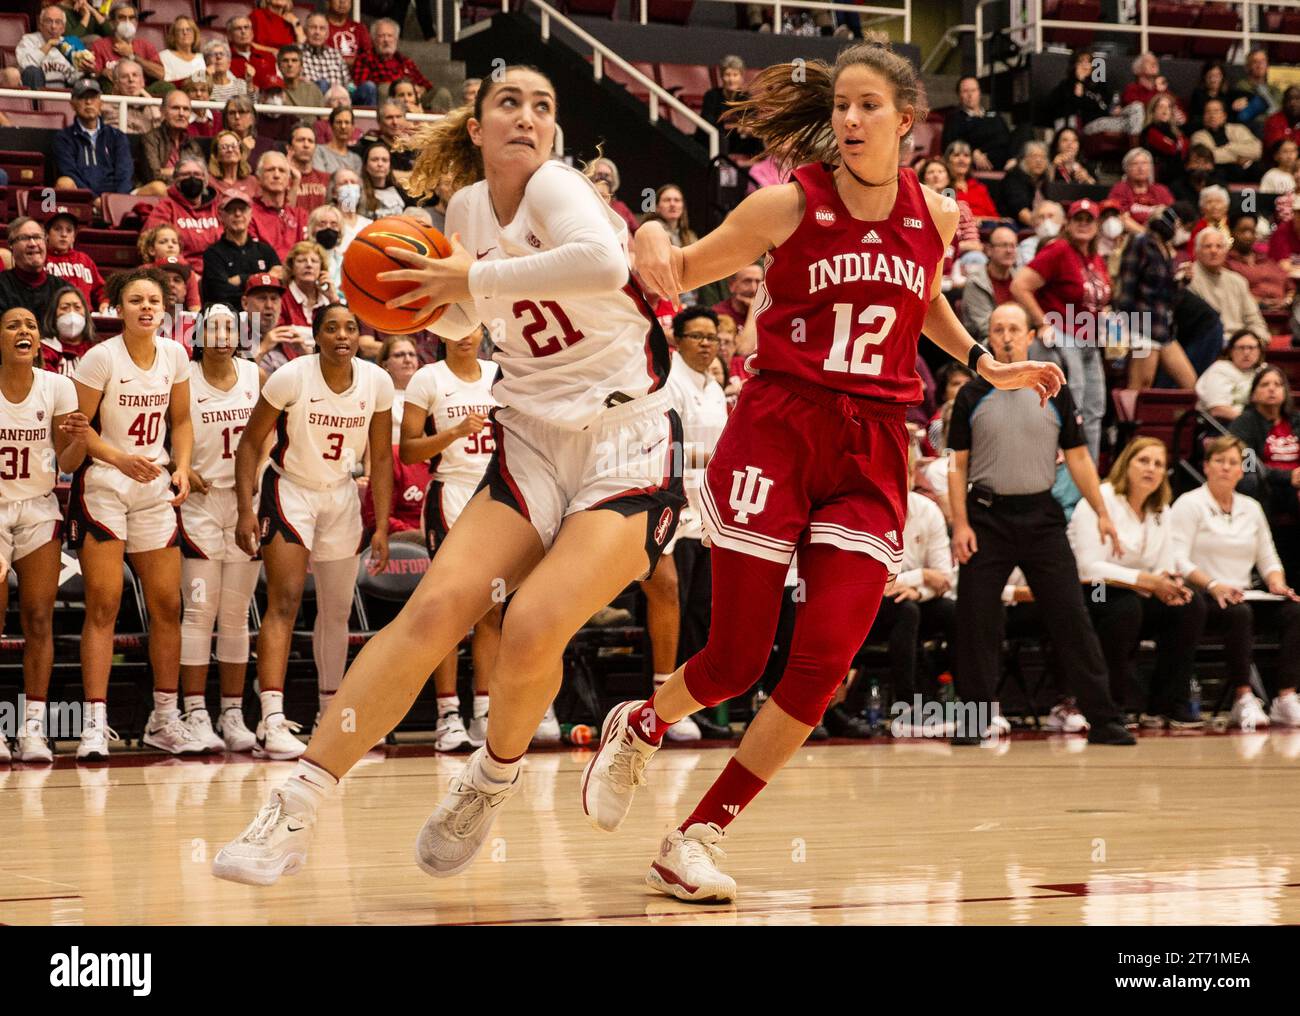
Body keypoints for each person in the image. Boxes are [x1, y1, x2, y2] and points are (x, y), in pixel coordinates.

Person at [589, 41, 1066, 902]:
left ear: (906, 121)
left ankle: (695, 835)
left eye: (867, 106)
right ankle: (646, 720)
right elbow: (685, 272)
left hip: (875, 441)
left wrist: (981, 365)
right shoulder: (786, 204)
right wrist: (651, 232)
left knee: (819, 668)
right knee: (734, 663)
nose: (849, 119)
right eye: (841, 105)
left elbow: (920, 300)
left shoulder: (940, 214)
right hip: (778, 428)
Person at [212, 65, 691, 888]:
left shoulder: (555, 184)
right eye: (509, 102)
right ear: (474, 128)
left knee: (536, 624)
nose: (529, 118)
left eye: (545, 106)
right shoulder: (467, 211)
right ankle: (297, 801)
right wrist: (419, 300)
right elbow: (477, 315)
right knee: (435, 607)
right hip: (533, 435)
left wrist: (468, 280)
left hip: (628, 439)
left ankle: (492, 777)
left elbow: (601, 267)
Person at [948, 301, 1131, 745]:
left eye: (1014, 329)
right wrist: (960, 524)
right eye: (997, 330)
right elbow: (957, 465)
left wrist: (1103, 511)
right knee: (976, 619)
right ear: (987, 339)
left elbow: (1079, 456)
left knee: (1071, 616)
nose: (1006, 337)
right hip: (986, 518)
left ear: (1030, 335)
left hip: (1042, 518)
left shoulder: (1055, 389)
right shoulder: (971, 395)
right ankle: (973, 724)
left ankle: (1104, 720)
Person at [228, 304, 393, 761]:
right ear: (316, 336)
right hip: (290, 489)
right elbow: (247, 444)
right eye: (332, 328)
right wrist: (246, 510)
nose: (343, 335)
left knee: (337, 610)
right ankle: (272, 719)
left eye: (351, 327)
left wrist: (381, 523)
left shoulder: (376, 382)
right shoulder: (292, 377)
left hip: (341, 495)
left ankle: (330, 714)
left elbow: (381, 458)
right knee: (284, 602)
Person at [68, 267, 199, 760]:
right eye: (136, 300)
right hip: (105, 482)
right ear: (117, 308)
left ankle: (165, 718)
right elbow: (78, 430)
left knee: (168, 605)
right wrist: (119, 457)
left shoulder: (176, 355)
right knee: (104, 604)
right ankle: (94, 724)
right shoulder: (99, 358)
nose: (146, 307)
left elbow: (181, 420)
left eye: (154, 300)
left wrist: (182, 467)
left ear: (164, 310)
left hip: (154, 484)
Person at [399, 329, 500, 751]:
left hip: (497, 495)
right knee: (450, 613)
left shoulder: (499, 374)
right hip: (451, 495)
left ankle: (485, 710)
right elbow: (408, 451)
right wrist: (454, 432)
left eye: (472, 326)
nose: (464, 335)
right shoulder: (428, 379)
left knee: (493, 611)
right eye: (455, 328)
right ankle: (447, 714)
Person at [0, 306, 88, 763]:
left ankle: (33, 729)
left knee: (38, 618)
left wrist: (77, 438)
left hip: (37, 507)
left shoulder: (58, 386)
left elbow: (69, 464)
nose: (24, 331)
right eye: (13, 324)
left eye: (31, 325)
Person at [176, 305, 265, 754]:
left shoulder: (255, 376)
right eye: (213, 327)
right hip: (200, 502)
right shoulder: (183, 376)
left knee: (235, 614)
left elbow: (270, 434)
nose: (222, 334)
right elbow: (168, 430)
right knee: (199, 611)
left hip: (246, 502)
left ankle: (232, 712)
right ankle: (194, 711)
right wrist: (181, 466)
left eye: (230, 326)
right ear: (197, 334)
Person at [1068, 437, 1205, 727]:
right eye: (1143, 461)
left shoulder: (1160, 510)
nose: (1151, 469)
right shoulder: (1099, 500)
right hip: (1092, 591)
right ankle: (1112, 703)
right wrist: (1145, 580)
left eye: (1158, 464)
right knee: (1123, 608)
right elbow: (1088, 567)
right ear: (1125, 464)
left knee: (1189, 606)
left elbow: (1165, 564)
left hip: (1139, 594)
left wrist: (1168, 583)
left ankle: (1166, 704)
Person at [1169, 436, 1300, 729]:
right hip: (1204, 596)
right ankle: (1243, 697)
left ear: (1242, 470)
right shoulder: (1189, 504)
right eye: (1219, 461)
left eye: (1233, 463)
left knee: (1295, 610)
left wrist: (1277, 583)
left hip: (1246, 593)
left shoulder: (1251, 507)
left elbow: (1268, 558)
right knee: (1238, 613)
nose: (1226, 468)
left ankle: (1286, 697)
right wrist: (1214, 584)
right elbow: (1177, 559)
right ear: (1206, 467)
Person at [859, 449, 955, 737]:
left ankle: (970, 701)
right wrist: (923, 577)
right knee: (905, 611)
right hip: (864, 607)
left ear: (913, 475)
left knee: (953, 612)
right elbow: (872, 582)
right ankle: (908, 709)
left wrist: (917, 585)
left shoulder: (928, 510)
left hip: (915, 599)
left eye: (906, 472)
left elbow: (945, 578)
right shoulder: (866, 511)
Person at [1011, 199, 1112, 460]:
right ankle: (1062, 474)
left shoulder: (1096, 258)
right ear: (1068, 223)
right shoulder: (1059, 250)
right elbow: (1019, 284)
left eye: (1089, 219)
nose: (1083, 224)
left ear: (1097, 225)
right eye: (1078, 218)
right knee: (1073, 404)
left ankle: (1087, 476)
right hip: (1063, 336)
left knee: (1095, 409)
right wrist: (1042, 321)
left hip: (1090, 338)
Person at [1230, 365, 1300, 583]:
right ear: (1253, 394)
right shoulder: (1245, 422)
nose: (1272, 389)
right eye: (1265, 384)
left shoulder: (1296, 420)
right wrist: (1288, 477)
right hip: (1267, 486)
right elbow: (1247, 462)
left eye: (1278, 385)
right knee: (1250, 481)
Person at [1119, 205, 1199, 390]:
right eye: (1181, 226)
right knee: (1140, 386)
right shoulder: (1140, 242)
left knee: (1190, 383)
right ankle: (1128, 420)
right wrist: (1123, 329)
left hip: (1163, 326)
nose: (1182, 231)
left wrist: (1182, 281)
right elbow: (1126, 286)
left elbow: (1166, 296)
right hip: (1143, 325)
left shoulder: (1166, 249)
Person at [52, 78, 134, 199]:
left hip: (115, 198)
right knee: (64, 183)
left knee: (157, 188)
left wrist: (115, 201)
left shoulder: (117, 136)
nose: (88, 102)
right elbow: (69, 173)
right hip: (83, 199)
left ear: (101, 102)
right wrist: (94, 199)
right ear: (72, 104)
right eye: (82, 98)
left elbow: (125, 173)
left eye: (93, 97)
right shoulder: (63, 138)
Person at [143, 157, 222, 277]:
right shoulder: (165, 207)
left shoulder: (218, 207)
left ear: (206, 180)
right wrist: (188, 274)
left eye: (197, 174)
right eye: (185, 174)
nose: (192, 178)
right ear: (175, 180)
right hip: (181, 273)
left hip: (218, 273)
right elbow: (155, 245)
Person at [1189, 229, 1270, 343]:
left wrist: (1257, 341)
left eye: (1219, 246)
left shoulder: (1238, 281)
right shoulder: (1188, 280)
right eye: (1207, 246)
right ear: (1196, 251)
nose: (1213, 250)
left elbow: (1255, 321)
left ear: (1226, 251)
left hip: (1241, 344)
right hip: (1207, 346)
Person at [202, 192, 281, 309]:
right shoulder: (213, 254)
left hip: (264, 317)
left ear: (251, 214)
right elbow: (221, 294)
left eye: (242, 209)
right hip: (229, 318)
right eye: (231, 210)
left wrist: (242, 279)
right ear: (221, 215)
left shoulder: (265, 250)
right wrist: (263, 280)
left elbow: (279, 281)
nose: (237, 214)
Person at [0, 219, 73, 327]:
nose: (33, 244)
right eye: (24, 238)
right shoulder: (2, 285)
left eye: (37, 237)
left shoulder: (63, 289)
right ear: (11, 246)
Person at [136, 89, 204, 198]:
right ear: (162, 111)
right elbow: (154, 176)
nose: (181, 113)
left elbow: (201, 176)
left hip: (185, 192)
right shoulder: (150, 139)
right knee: (159, 187)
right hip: (152, 195)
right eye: (175, 108)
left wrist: (168, 171)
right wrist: (185, 175)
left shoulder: (192, 145)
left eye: (186, 109)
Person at [302, 12, 377, 107]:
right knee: (322, 84)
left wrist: (348, 91)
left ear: (327, 34)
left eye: (322, 28)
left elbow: (348, 83)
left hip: (341, 97)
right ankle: (323, 120)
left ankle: (367, 121)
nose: (317, 32)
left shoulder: (335, 54)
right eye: (313, 28)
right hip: (314, 100)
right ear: (305, 31)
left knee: (369, 87)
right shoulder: (297, 53)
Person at [1227, 211, 1294, 315]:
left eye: (1252, 231)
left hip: (1285, 312)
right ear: (1232, 232)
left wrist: (1288, 300)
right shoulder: (1227, 262)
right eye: (1243, 231)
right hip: (1253, 314)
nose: (1248, 236)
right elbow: (1231, 295)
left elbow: (1290, 286)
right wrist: (1261, 303)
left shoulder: (1265, 259)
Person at [15, 3, 94, 90]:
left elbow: (73, 79)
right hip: (36, 93)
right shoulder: (28, 40)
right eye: (48, 21)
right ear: (40, 25)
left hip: (61, 95)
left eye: (58, 22)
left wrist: (84, 71)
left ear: (63, 28)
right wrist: (49, 45)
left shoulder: (69, 45)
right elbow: (25, 66)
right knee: (32, 72)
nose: (53, 26)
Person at [940, 76, 1012, 171]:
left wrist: (1013, 157)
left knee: (1025, 129)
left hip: (1004, 156)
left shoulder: (993, 115)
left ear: (979, 93)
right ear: (959, 95)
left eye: (973, 90)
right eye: (965, 91)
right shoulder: (955, 118)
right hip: (977, 160)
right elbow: (949, 144)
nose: (970, 95)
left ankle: (1014, 160)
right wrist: (972, 151)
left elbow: (1006, 138)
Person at [961, 225, 1018, 341]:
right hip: (986, 343)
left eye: (1013, 246)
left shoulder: (1020, 280)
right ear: (989, 250)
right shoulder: (976, 282)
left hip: (1020, 336)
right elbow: (984, 327)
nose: (1009, 250)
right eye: (1003, 245)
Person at [43, 208, 106, 312]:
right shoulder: (41, 259)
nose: (64, 234)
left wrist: (104, 302)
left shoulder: (84, 260)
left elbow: (101, 289)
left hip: (85, 319)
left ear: (73, 237)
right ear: (47, 233)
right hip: (50, 317)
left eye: (69, 230)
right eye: (57, 229)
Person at [248, 152, 308, 260]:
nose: (276, 175)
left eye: (282, 171)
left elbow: (308, 251)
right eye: (270, 170)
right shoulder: (249, 213)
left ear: (289, 180)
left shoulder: (300, 215)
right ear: (258, 178)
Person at [1196, 329, 1264, 422]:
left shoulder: (1263, 370)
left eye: (1251, 348)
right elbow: (1218, 410)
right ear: (1231, 351)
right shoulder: (1220, 369)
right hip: (1222, 426)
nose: (1246, 353)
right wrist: (1252, 423)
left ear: (1259, 351)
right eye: (1241, 347)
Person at [1191, 98, 1263, 185]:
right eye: (1208, 112)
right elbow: (1209, 157)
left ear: (1224, 115)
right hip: (1217, 175)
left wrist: (1229, 147)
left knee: (1259, 168)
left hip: (1245, 172)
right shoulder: (1198, 136)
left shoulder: (1238, 129)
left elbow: (1256, 150)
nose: (1212, 115)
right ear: (1204, 117)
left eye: (1216, 111)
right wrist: (1238, 157)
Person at [352, 17, 431, 95]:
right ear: (374, 40)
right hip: (387, 101)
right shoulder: (365, 59)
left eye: (390, 36)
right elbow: (363, 88)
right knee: (384, 88)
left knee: (442, 93)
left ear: (396, 40)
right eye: (381, 36)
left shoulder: (406, 61)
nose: (386, 40)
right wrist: (399, 88)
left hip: (412, 99)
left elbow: (426, 84)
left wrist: (422, 89)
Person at [278, 241, 335, 343]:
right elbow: (282, 339)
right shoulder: (280, 297)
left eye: (314, 261)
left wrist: (333, 298)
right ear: (291, 267)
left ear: (322, 268)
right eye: (301, 260)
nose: (309, 265)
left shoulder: (327, 301)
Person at [1107, 148, 1175, 234]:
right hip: (1131, 236)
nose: (1140, 168)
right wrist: (1146, 235)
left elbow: (1172, 216)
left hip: (1160, 235)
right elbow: (1122, 218)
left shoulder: (1161, 190)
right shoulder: (1120, 189)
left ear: (1151, 168)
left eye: (1144, 163)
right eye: (1135, 164)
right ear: (1126, 169)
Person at [90, 2, 163, 82]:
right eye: (122, 18)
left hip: (143, 90)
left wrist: (132, 56)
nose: (127, 22)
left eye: (131, 18)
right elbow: (92, 76)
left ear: (136, 22)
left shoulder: (146, 45)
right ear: (112, 23)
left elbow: (160, 74)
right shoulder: (99, 45)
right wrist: (102, 73)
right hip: (113, 90)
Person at [1044, 50, 1112, 132]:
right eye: (1081, 62)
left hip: (1097, 122)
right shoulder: (1066, 85)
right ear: (1074, 65)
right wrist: (1079, 82)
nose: (1085, 66)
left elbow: (1104, 106)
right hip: (1074, 124)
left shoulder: (1100, 84)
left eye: (1088, 62)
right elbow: (1057, 107)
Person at [41, 285, 99, 378]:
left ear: (86, 314)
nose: (72, 313)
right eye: (64, 308)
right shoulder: (45, 349)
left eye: (77, 307)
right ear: (54, 314)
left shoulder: (97, 349)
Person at [997, 141, 1049, 228]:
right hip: (1015, 227)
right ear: (1024, 160)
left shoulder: (1043, 180)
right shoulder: (1014, 178)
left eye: (1042, 157)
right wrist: (1045, 229)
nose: (1039, 161)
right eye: (1034, 156)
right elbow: (1023, 214)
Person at [943, 140, 999, 220]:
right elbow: (947, 219)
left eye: (966, 156)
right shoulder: (944, 187)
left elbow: (994, 216)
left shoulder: (980, 187)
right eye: (956, 155)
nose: (962, 159)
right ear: (948, 160)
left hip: (986, 229)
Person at [1142, 93, 1188, 189]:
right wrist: (1178, 146)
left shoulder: (1176, 132)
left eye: (1168, 107)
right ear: (1153, 111)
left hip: (1178, 175)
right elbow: (1171, 149)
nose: (1165, 110)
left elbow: (1185, 149)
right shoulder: (1150, 130)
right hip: (1160, 177)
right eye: (1161, 107)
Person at [1233, 48, 1283, 137]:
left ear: (1267, 65)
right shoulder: (1241, 87)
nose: (1260, 65)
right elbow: (1246, 115)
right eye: (1255, 62)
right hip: (1257, 128)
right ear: (1248, 66)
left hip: (1279, 127)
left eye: (1263, 61)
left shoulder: (1275, 89)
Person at [226, 14, 280, 92]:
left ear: (252, 33)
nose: (243, 31)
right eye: (238, 29)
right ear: (229, 35)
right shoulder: (226, 59)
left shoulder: (268, 56)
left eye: (246, 27)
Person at [108, 58, 161, 136]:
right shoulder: (108, 108)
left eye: (135, 75)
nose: (131, 79)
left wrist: (150, 101)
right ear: (116, 84)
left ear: (142, 81)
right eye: (124, 76)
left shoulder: (152, 108)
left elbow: (160, 134)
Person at [276, 45, 326, 128]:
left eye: (294, 60)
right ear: (279, 66)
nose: (290, 64)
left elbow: (324, 119)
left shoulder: (312, 89)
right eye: (285, 60)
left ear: (301, 66)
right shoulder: (273, 90)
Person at [358, 142, 409, 218]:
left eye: (384, 160)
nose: (380, 164)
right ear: (365, 165)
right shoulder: (358, 192)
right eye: (374, 160)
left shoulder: (400, 192)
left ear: (390, 166)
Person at [208, 130, 258, 202]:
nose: (230, 150)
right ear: (216, 156)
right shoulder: (209, 182)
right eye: (224, 147)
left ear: (240, 152)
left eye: (234, 146)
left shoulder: (253, 181)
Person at [323, 0, 372, 72]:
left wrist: (355, 62)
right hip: (329, 75)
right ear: (328, 2)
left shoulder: (359, 28)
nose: (342, 1)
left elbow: (369, 55)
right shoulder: (321, 28)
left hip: (357, 76)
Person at [315, 106, 363, 177]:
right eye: (339, 122)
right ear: (331, 126)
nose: (343, 126)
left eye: (347, 122)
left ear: (353, 127)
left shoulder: (356, 159)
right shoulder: (319, 151)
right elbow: (321, 179)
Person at [710, 264, 762, 330]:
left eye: (758, 282)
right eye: (747, 281)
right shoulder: (719, 314)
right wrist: (752, 309)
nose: (753, 288)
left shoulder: (769, 313)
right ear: (731, 285)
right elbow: (745, 340)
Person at [160, 14, 204, 85]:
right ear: (174, 35)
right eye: (180, 30)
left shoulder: (201, 58)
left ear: (194, 34)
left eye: (188, 29)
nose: (185, 32)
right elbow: (167, 85)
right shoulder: (164, 56)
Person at [203, 39, 247, 104]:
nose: (218, 57)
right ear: (206, 62)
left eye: (222, 54)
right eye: (213, 54)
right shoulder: (202, 87)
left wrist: (250, 82)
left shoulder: (240, 85)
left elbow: (251, 107)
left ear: (229, 62)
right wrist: (207, 79)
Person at [1263, 86, 1300, 153]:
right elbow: (1276, 147)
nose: (1293, 103)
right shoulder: (1274, 120)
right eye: (1289, 99)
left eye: (1297, 99)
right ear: (1283, 102)